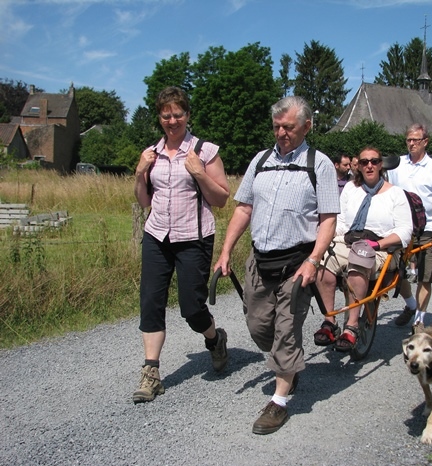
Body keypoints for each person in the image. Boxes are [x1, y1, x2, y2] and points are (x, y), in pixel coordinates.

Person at [214, 96, 339, 435]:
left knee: (286, 332)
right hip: (260, 260)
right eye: (277, 127)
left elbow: (328, 220)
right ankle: (289, 365)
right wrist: (225, 252)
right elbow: (243, 209)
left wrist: (313, 261)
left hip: (297, 264)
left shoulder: (320, 164)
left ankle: (279, 401)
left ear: (307, 127)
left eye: (289, 127)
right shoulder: (261, 160)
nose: (282, 133)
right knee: (259, 328)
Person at [132, 86, 230, 403]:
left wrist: (200, 174)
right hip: (157, 236)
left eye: (178, 114)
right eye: (166, 115)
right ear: (159, 118)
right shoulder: (151, 154)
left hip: (194, 238)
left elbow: (222, 200)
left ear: (187, 115)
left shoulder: (205, 151)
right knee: (150, 302)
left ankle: (214, 339)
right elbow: (145, 200)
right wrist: (138, 174)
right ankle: (151, 374)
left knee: (192, 307)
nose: (172, 120)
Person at [313, 146, 413, 351]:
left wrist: (378, 244)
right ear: (358, 165)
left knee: (360, 256)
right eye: (364, 162)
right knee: (322, 259)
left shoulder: (396, 194)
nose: (369, 165)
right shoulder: (351, 189)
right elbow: (340, 223)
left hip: (382, 247)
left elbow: (404, 231)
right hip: (350, 239)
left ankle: (351, 326)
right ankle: (329, 321)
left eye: (374, 161)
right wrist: (324, 237)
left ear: (381, 165)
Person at [386, 123, 432, 327]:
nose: (411, 144)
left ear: (425, 142)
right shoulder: (398, 164)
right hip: (400, 226)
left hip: (427, 228)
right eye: (408, 140)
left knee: (425, 275)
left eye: (416, 140)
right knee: (395, 271)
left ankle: (419, 321)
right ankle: (411, 305)